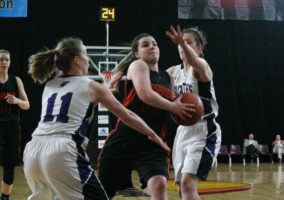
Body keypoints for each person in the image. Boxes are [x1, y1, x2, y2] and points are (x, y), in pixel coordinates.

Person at [23, 37, 170, 200]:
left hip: (33, 150)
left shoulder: (50, 86)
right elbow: (128, 115)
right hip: (63, 151)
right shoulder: (92, 86)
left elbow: (73, 105)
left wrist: (104, 90)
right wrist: (154, 135)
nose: (88, 60)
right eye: (86, 54)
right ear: (77, 60)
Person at [98, 32, 196, 200]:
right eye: (146, 45)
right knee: (102, 194)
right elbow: (145, 94)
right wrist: (173, 106)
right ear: (137, 53)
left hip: (153, 143)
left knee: (159, 184)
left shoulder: (168, 77)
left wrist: (186, 113)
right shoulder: (138, 65)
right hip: (125, 139)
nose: (152, 46)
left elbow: (170, 111)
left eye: (155, 44)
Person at [166, 25, 222, 200]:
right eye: (181, 43)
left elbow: (196, 62)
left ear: (198, 48)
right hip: (183, 131)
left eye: (188, 43)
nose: (183, 46)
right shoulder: (173, 72)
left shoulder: (201, 67)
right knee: (182, 189)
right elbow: (153, 83)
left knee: (188, 184)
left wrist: (182, 44)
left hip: (204, 129)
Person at [0, 49, 30, 200]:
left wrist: (17, 101)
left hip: (11, 126)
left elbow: (27, 105)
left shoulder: (16, 81)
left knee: (9, 166)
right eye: (1, 59)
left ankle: (5, 197)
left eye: (7, 60)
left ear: (10, 62)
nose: (4, 62)